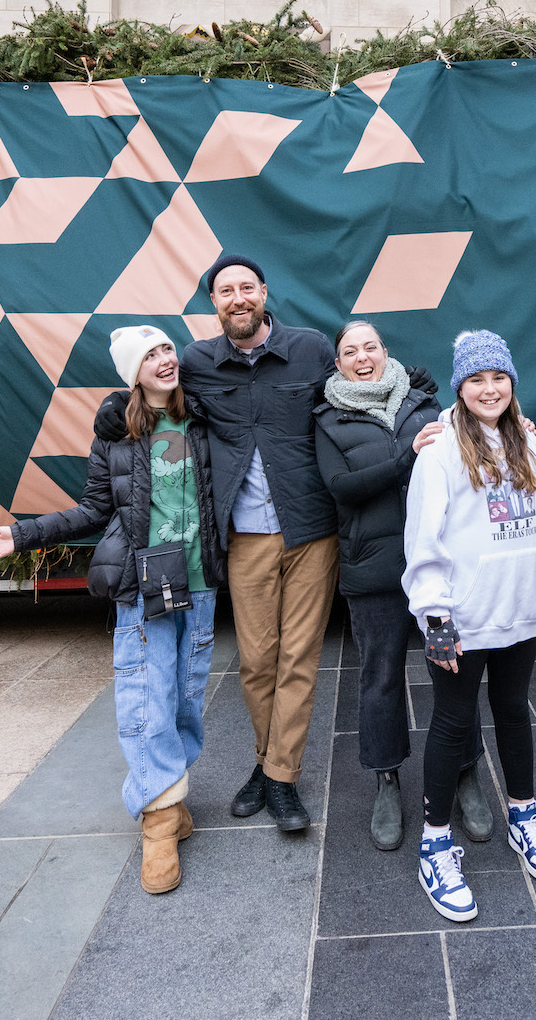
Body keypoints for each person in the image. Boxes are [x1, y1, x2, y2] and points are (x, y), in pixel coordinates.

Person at [0, 325, 223, 895]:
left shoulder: (203, 418)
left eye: (167, 350)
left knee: (186, 694)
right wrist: (22, 535)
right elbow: (92, 509)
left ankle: (170, 793)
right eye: (149, 356)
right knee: (146, 695)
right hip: (143, 585)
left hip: (200, 581)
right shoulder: (118, 431)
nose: (163, 361)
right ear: (132, 372)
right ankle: (158, 823)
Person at [401, 330, 536, 922]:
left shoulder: (525, 441)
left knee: (514, 711)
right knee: (452, 724)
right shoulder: (439, 452)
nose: (489, 388)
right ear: (459, 386)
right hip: (464, 621)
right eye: (476, 379)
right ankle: (435, 843)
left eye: (498, 378)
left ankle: (524, 816)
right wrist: (436, 619)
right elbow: (421, 544)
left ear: (511, 383)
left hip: (521, 609)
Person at [177, 253, 340, 833]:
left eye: (247, 287)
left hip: (310, 531)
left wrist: (423, 411)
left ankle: (282, 779)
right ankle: (268, 763)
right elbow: (163, 412)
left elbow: (358, 399)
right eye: (226, 291)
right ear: (214, 303)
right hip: (245, 536)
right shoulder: (196, 362)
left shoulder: (312, 349)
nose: (238, 298)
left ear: (265, 293)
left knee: (299, 659)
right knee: (255, 661)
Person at [312, 320, 460, 852]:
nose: (362, 357)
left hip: (440, 567)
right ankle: (387, 780)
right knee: (380, 678)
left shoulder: (424, 403)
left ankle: (464, 771)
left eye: (370, 347)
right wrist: (403, 458)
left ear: (386, 352)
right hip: (374, 570)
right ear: (338, 363)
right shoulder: (328, 418)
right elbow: (341, 488)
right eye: (350, 351)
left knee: (454, 671)